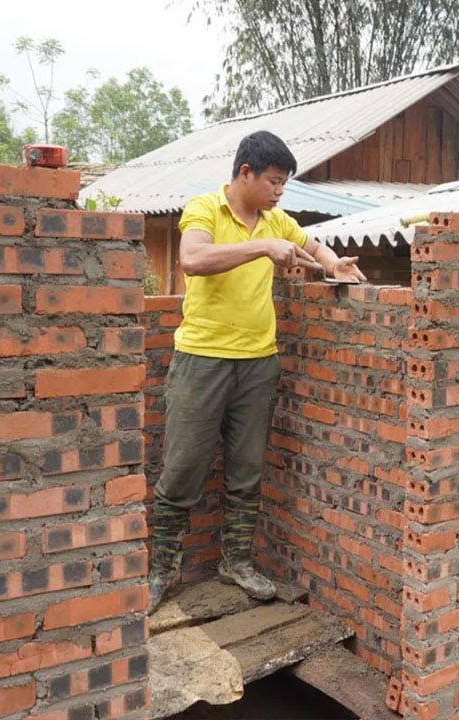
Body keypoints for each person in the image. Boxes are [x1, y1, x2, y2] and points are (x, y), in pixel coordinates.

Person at [148, 130, 365, 612]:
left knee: (246, 470)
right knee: (182, 468)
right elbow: (193, 259)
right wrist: (263, 247)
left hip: (258, 362)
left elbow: (314, 246)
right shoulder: (205, 208)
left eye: (284, 183)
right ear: (245, 173)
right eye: (273, 181)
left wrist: (336, 265)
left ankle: (237, 561)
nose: (279, 191)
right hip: (201, 357)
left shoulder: (276, 220)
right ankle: (162, 570)